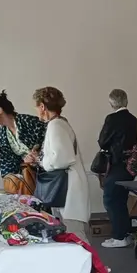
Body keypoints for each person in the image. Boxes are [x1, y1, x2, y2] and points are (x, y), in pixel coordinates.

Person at [25, 87, 91, 242]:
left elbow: (62, 159)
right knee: (72, 234)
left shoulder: (56, 126)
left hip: (69, 189)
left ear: (42, 106)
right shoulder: (59, 124)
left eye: (36, 106)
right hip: (67, 187)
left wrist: (39, 161)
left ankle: (92, 266)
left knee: (75, 235)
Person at [97, 89, 137, 249]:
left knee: (110, 199)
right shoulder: (133, 119)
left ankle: (119, 236)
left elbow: (103, 141)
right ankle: (125, 234)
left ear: (111, 103)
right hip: (130, 165)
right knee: (121, 200)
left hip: (115, 164)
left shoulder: (112, 118)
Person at [0, 91, 48, 176]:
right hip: (28, 177)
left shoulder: (28, 121)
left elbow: (51, 142)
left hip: (47, 173)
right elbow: (7, 160)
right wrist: (11, 178)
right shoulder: (2, 132)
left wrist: (38, 156)